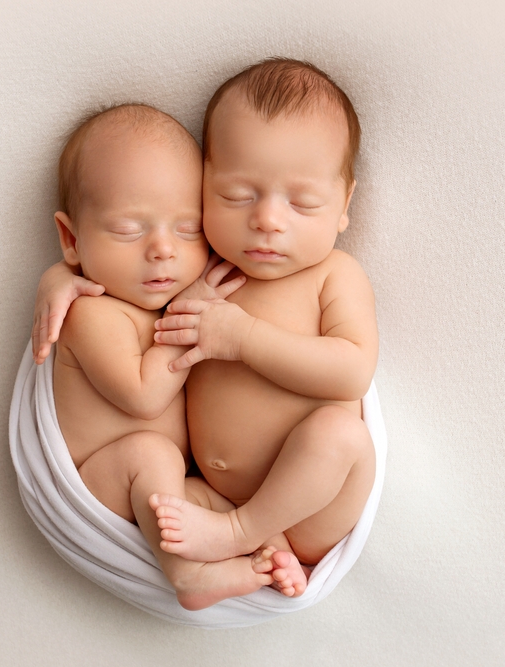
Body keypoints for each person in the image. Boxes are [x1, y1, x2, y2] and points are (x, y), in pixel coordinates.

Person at [34, 59, 378, 598]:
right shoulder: (206, 264)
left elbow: (353, 371)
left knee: (341, 436)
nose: (266, 219)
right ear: (204, 186)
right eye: (236, 197)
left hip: (310, 504)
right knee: (160, 495)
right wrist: (62, 276)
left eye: (303, 202)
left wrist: (244, 338)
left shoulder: (333, 275)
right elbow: (126, 270)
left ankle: (246, 535)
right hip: (209, 500)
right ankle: (243, 554)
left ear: (344, 205)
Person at [44, 102, 295, 610]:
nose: (163, 250)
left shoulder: (174, 295)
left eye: (187, 230)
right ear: (72, 240)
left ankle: (275, 557)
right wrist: (195, 305)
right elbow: (144, 395)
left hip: (164, 489)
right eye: (130, 229)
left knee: (226, 513)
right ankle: (190, 578)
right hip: (107, 482)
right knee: (151, 454)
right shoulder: (93, 314)